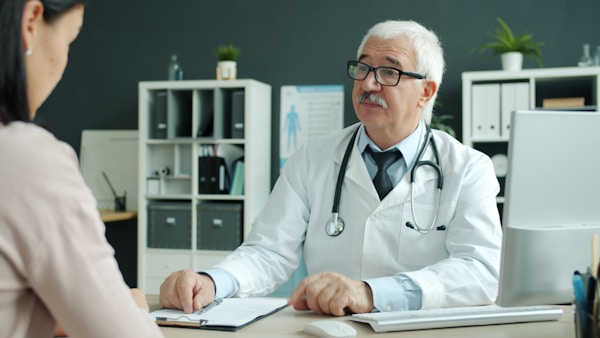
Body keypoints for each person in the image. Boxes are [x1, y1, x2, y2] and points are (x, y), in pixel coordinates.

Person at [159, 19, 502, 316]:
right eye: (364, 68)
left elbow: (482, 271)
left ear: (426, 92)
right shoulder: (313, 159)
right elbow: (267, 251)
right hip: (331, 328)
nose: (368, 83)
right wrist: (211, 281)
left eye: (388, 72)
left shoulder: (468, 168)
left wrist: (372, 294)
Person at [0, 1, 164, 337]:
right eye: (70, 39)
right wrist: (127, 308)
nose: (63, 62)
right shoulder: (27, 159)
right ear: (31, 21)